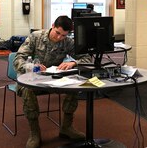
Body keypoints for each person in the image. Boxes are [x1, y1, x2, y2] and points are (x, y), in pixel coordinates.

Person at [13, 16, 92, 148]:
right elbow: (18, 59)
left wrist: (73, 62)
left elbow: (88, 58)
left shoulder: (67, 42)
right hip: (31, 79)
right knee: (27, 90)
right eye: (58, 33)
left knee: (74, 84)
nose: (59, 38)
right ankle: (34, 133)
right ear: (53, 25)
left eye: (64, 35)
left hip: (53, 79)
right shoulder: (36, 37)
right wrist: (31, 66)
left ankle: (66, 127)